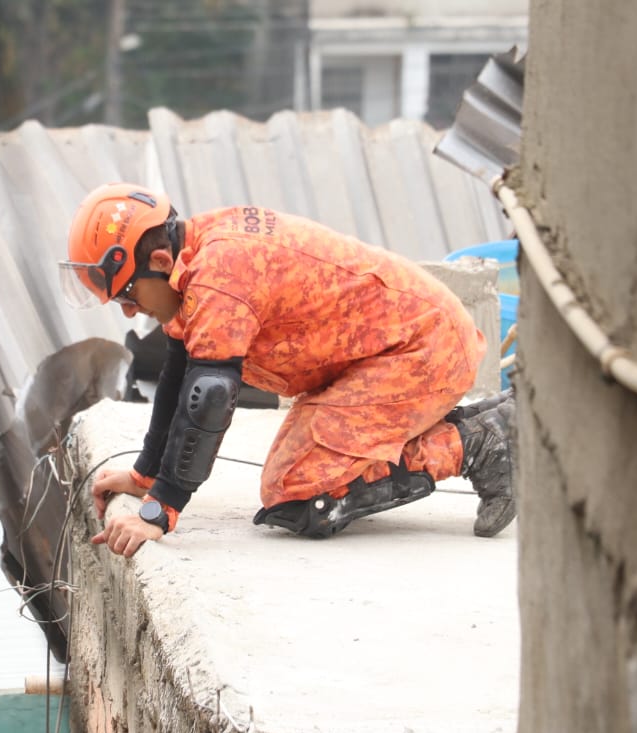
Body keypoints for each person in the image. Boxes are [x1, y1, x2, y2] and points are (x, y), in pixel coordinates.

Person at [59, 182, 516, 557]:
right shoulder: (195, 256)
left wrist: (161, 511)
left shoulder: (221, 279)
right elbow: (179, 374)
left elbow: (209, 400)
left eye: (127, 296)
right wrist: (144, 477)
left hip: (421, 351)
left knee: (298, 491)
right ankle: (479, 424)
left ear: (160, 262)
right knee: (291, 480)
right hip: (387, 350)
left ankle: (474, 443)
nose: (126, 312)